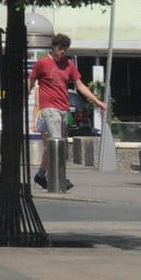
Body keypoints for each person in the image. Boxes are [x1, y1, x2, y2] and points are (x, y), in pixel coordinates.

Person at [32, 32, 104, 192]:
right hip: (49, 108)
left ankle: (41, 175)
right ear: (54, 47)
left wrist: (97, 101)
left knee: (57, 145)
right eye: (60, 48)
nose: (63, 52)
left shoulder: (69, 64)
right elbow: (31, 82)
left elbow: (80, 85)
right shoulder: (42, 63)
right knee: (56, 141)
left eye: (65, 49)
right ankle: (58, 178)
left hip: (64, 108)